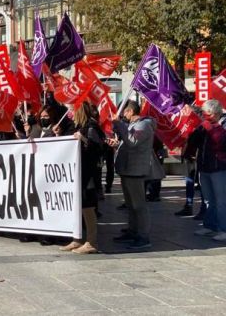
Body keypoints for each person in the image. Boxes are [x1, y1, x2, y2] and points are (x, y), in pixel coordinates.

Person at [110, 100, 160, 250]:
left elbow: (132, 141)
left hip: (136, 170)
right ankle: (133, 231)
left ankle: (143, 236)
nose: (122, 115)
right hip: (127, 169)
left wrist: (119, 124)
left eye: (124, 111)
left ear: (130, 111)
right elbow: (128, 142)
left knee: (139, 205)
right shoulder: (133, 125)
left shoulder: (143, 125)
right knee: (131, 205)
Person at [60, 101, 102, 254]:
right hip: (79, 173)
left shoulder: (91, 127)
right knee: (78, 206)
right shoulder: (78, 126)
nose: (70, 112)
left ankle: (92, 242)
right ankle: (77, 239)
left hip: (88, 174)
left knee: (88, 207)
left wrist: (83, 139)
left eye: (72, 109)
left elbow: (98, 148)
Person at [187, 99, 226, 241]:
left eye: (206, 113)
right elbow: (194, 141)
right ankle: (210, 226)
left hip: (219, 168)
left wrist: (210, 128)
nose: (204, 115)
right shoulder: (204, 125)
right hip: (205, 167)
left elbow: (220, 142)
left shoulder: (223, 124)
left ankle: (223, 229)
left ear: (215, 113)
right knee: (209, 200)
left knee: (221, 200)